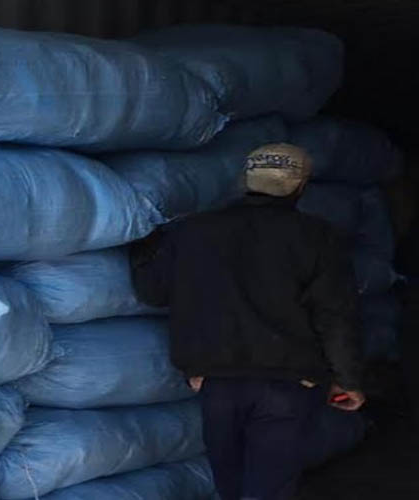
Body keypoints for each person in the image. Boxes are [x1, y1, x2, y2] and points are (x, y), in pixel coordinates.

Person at [130, 144, 365, 500]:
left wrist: (142, 244)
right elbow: (335, 316)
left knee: (230, 486)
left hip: (218, 383)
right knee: (267, 488)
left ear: (245, 181)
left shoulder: (194, 231)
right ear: (301, 186)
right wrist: (347, 379)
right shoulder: (319, 237)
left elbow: (154, 292)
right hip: (290, 384)